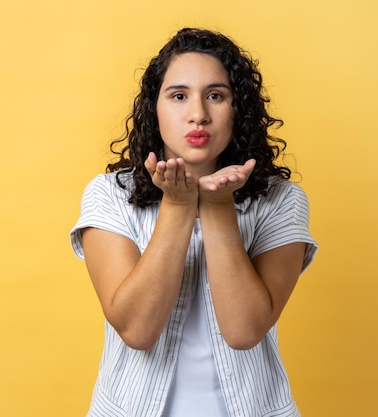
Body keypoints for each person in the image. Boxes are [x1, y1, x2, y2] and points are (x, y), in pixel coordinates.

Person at [70, 27, 317, 417]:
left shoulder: (281, 200)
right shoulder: (109, 195)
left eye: (215, 96)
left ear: (239, 110)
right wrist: (178, 205)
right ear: (155, 107)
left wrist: (218, 207)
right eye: (179, 95)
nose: (198, 114)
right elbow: (137, 330)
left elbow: (244, 331)